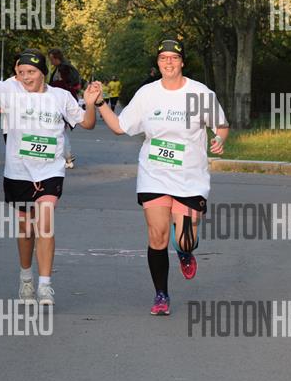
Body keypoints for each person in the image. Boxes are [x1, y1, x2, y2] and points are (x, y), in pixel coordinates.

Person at [93, 38, 229, 316]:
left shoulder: (199, 93)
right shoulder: (147, 94)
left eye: (174, 58)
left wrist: (219, 138)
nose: (169, 62)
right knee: (157, 236)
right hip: (154, 175)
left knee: (185, 239)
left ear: (182, 62)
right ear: (158, 63)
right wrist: (100, 104)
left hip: (190, 177)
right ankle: (161, 294)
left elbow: (221, 125)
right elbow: (120, 126)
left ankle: (185, 251)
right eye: (163, 58)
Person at [0, 30, 99, 306]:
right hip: (18, 172)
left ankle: (45, 285)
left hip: (50, 170)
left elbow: (88, 123)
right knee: (26, 229)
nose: (25, 77)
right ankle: (26, 277)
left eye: (31, 72)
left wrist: (90, 103)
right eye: (21, 72)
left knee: (45, 224)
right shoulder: (10, 90)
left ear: (42, 72)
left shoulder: (60, 97)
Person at [48, 48, 82, 169]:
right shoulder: (64, 67)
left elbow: (63, 86)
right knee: (60, 128)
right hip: (62, 101)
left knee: (59, 129)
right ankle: (66, 155)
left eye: (51, 59)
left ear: (56, 58)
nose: (50, 61)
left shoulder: (64, 69)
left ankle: (67, 156)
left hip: (61, 102)